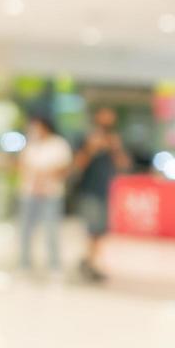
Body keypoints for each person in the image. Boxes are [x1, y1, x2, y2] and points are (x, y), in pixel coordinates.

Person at [73, 107, 130, 282]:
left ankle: (90, 261)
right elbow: (78, 164)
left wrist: (115, 148)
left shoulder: (115, 139)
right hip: (90, 190)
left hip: (106, 190)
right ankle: (91, 263)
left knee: (101, 230)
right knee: (93, 229)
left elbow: (124, 165)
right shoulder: (87, 138)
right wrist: (91, 148)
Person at [17, 116, 71, 274]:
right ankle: (24, 263)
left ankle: (54, 265)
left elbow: (64, 168)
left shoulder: (58, 145)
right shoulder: (30, 145)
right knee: (25, 229)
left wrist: (45, 175)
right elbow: (22, 166)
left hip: (51, 193)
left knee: (51, 229)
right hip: (29, 192)